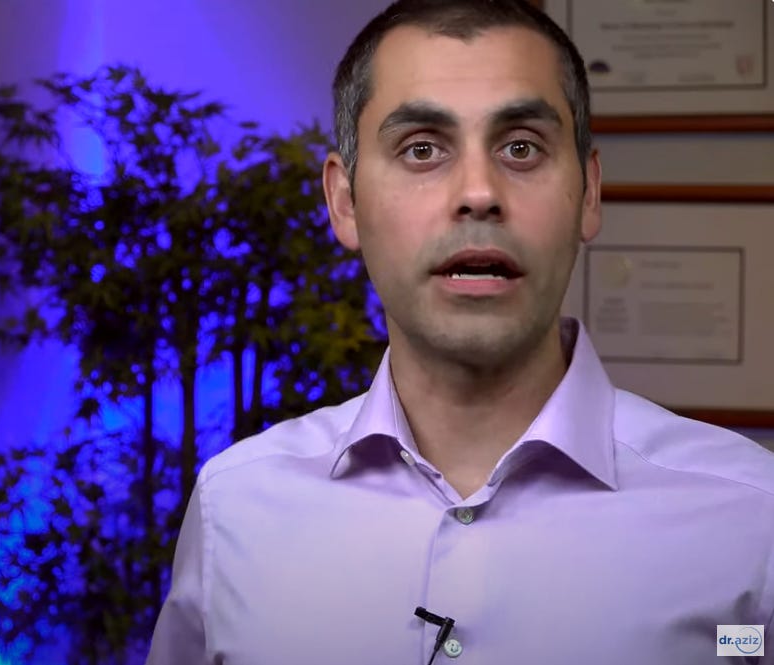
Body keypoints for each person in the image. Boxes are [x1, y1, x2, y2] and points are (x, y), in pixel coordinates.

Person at [145, 0, 774, 663]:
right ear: (345, 202)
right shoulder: (235, 508)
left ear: (589, 193)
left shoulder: (748, 519)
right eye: (422, 149)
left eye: (521, 147)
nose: (478, 191)